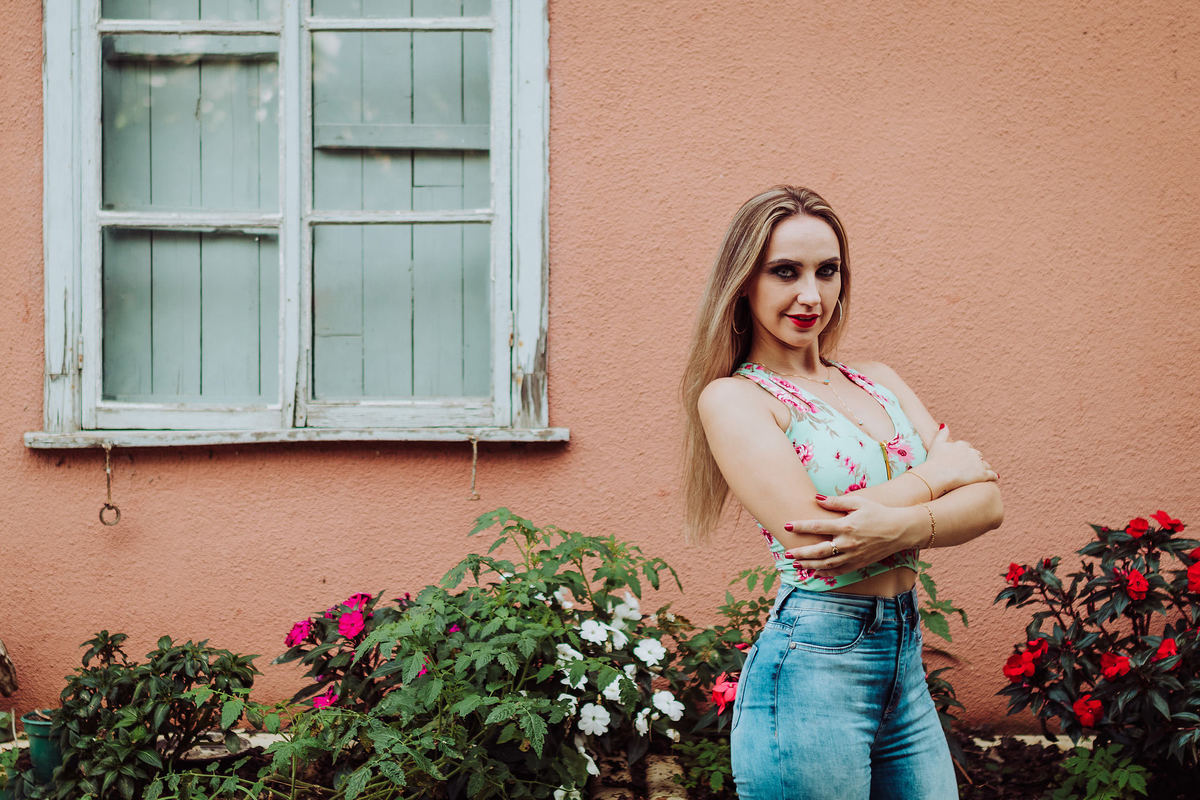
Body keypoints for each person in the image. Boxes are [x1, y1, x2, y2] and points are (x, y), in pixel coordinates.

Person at [681, 186, 1003, 799]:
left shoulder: (878, 381)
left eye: (827, 271)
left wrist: (894, 527)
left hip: (903, 660)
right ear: (743, 283)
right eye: (785, 272)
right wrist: (937, 480)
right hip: (814, 663)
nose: (811, 294)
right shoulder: (734, 398)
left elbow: (988, 502)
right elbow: (818, 537)